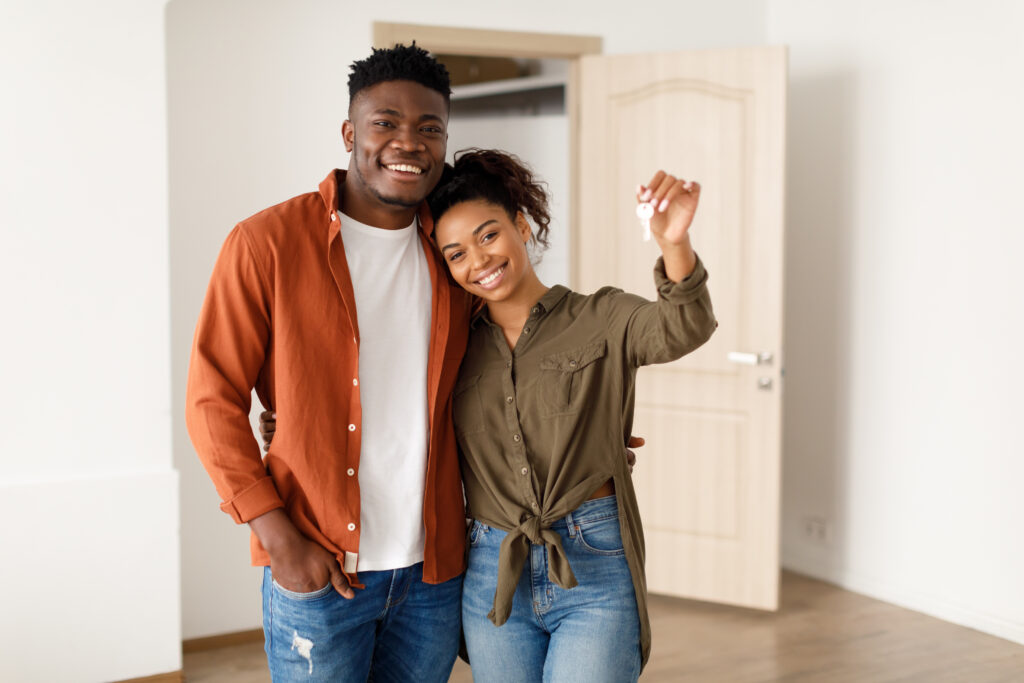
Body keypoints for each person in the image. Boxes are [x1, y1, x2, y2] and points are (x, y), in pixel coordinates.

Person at [185, 44, 471, 682]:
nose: (409, 142)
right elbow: (212, 401)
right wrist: (280, 541)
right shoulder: (267, 244)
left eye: (430, 128)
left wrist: (584, 425)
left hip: (433, 572)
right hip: (320, 568)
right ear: (350, 132)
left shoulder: (455, 254)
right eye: (385, 122)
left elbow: (498, 371)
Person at [429, 150, 716, 681]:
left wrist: (673, 242)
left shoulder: (601, 316)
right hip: (494, 570)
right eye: (456, 254)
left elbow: (684, 326)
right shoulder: (450, 348)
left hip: (593, 564)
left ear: (520, 224)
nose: (478, 261)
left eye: (488, 235)